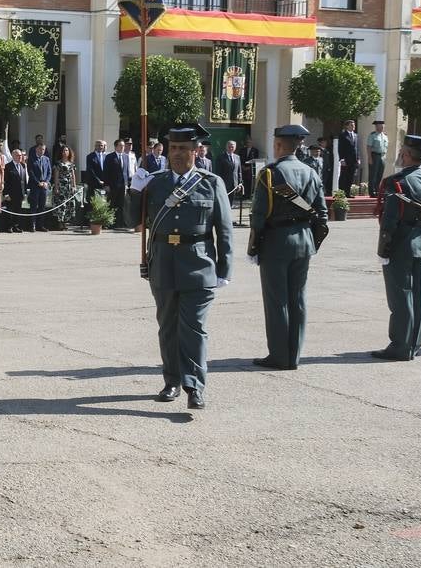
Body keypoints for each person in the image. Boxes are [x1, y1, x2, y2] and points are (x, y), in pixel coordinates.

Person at [126, 123, 233, 410]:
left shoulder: (211, 182)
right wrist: (135, 191)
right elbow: (131, 220)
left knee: (194, 328)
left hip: (199, 264)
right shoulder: (156, 182)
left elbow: (223, 230)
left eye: (183, 149)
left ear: (195, 151)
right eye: (173, 148)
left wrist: (225, 269)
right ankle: (172, 380)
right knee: (168, 328)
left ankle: (195, 385)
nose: (177, 154)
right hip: (162, 263)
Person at [247, 124, 327, 371]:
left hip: (276, 242)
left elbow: (258, 215)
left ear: (279, 145)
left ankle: (279, 355)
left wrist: (253, 246)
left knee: (277, 300)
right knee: (298, 299)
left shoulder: (270, 174)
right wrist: (310, 239)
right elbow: (322, 214)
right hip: (304, 241)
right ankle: (294, 355)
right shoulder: (311, 172)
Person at [372, 135, 421, 361]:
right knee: (418, 295)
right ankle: (414, 343)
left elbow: (389, 220)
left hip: (401, 243)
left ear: (405, 155)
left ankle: (400, 346)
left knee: (401, 296)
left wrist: (384, 248)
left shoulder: (396, 182)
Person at [51, 142, 79, 230]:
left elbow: (73, 175)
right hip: (60, 186)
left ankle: (65, 222)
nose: (65, 152)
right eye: (63, 150)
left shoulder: (71, 164)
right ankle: (60, 222)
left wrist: (74, 186)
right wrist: (56, 187)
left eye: (66, 150)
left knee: (68, 205)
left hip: (69, 187)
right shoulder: (58, 163)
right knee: (61, 204)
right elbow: (56, 175)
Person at [1, 149, 31, 232]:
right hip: (11, 193)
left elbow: (24, 180)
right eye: (18, 155)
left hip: (20, 193)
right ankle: (9, 226)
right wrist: (6, 194)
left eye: (21, 155)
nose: (20, 157)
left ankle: (16, 226)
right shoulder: (8, 166)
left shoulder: (23, 165)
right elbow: (5, 181)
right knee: (10, 210)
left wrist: (25, 192)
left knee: (18, 210)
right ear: (13, 156)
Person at [27, 142, 52, 231]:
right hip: (35, 185)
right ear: (36, 149)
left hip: (44, 186)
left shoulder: (47, 159)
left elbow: (49, 172)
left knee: (42, 206)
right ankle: (32, 225)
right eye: (40, 149)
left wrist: (46, 182)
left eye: (43, 149)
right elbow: (30, 172)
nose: (42, 151)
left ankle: (40, 225)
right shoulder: (31, 159)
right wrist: (38, 182)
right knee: (34, 206)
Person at [105, 140, 127, 228]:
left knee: (121, 205)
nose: (122, 148)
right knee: (111, 204)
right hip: (112, 185)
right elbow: (106, 172)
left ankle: (119, 223)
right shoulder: (110, 157)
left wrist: (126, 183)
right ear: (116, 146)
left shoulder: (126, 157)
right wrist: (106, 185)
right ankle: (110, 223)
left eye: (123, 146)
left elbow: (126, 171)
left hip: (122, 185)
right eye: (121, 146)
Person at [336, 119, 360, 194]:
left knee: (351, 177)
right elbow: (341, 148)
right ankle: (341, 193)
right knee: (344, 177)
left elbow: (357, 148)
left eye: (354, 125)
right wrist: (342, 159)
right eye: (351, 125)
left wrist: (358, 158)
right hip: (346, 160)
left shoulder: (355, 135)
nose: (353, 126)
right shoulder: (343, 135)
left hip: (353, 160)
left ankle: (348, 193)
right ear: (347, 126)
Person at [84, 140, 110, 205]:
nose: (100, 147)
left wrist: (106, 182)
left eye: (101, 145)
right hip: (93, 183)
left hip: (104, 184)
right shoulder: (90, 156)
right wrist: (98, 180)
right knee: (93, 202)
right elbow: (90, 170)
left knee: (103, 201)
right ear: (95, 146)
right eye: (98, 145)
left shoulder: (106, 156)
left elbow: (107, 170)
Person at [367, 119, 388, 194]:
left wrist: (384, 157)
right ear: (376, 126)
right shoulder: (372, 135)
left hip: (382, 156)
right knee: (373, 174)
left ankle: (377, 190)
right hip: (374, 156)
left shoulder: (385, 136)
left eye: (383, 126)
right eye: (380, 126)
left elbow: (385, 147)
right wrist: (369, 158)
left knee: (380, 174)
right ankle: (372, 191)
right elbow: (368, 147)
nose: (382, 127)